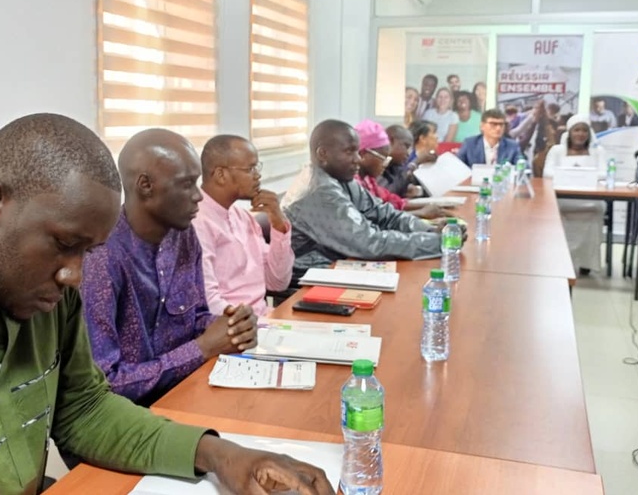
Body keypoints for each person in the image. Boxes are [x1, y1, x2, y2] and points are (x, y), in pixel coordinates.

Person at [0, 114, 332, 494]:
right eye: (65, 245)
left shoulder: (47, 289)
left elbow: (84, 408)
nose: (76, 277)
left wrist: (222, 455)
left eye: (87, 252)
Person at [81, 129, 259, 407]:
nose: (198, 196)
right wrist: (203, 348)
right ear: (145, 186)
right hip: (131, 417)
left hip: (189, 390)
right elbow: (105, 382)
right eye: (186, 184)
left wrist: (232, 326)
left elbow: (195, 317)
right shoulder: (102, 257)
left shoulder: (184, 235)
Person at [282, 120, 441, 278]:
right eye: (349, 151)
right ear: (323, 154)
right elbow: (370, 243)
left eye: (357, 151)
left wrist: (429, 230)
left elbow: (384, 214)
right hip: (311, 281)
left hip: (339, 265)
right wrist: (437, 242)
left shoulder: (340, 178)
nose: (358, 159)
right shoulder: (319, 190)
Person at [193, 135, 294, 318]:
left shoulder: (243, 217)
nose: (258, 175)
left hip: (264, 322)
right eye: (250, 169)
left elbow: (278, 282)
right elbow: (209, 302)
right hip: (235, 332)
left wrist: (279, 226)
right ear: (221, 174)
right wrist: (251, 326)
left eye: (257, 167)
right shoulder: (198, 223)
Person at [543, 115, 607, 275]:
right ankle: (561, 259)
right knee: (556, 211)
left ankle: (587, 262)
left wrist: (576, 175)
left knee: (597, 209)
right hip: (562, 200)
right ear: (570, 132)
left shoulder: (598, 151)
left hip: (590, 200)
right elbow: (547, 173)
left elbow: (605, 174)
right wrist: (575, 175)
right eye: (577, 130)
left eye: (584, 130)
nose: (580, 134)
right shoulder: (557, 150)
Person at [354, 120, 446, 219]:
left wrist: (434, 207)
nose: (386, 163)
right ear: (362, 155)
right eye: (383, 157)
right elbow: (371, 218)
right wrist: (420, 213)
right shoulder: (354, 184)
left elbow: (390, 200)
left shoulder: (368, 180)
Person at [457, 108, 525, 167]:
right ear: (482, 126)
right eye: (493, 124)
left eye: (501, 124)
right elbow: (457, 167)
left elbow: (524, 167)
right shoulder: (470, 144)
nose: (498, 128)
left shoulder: (512, 146)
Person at [380, 124, 424, 198]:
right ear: (391, 141)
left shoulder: (395, 164)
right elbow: (386, 193)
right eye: (406, 146)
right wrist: (415, 163)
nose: (408, 153)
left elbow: (400, 182)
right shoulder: (378, 163)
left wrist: (409, 188)